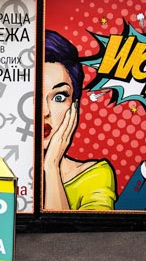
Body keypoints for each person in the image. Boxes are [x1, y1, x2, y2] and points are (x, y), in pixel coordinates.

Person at [42, 30, 117, 210]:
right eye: (32, 96)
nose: (45, 112)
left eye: (59, 97)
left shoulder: (94, 175)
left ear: (74, 106)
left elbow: (58, 230)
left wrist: (51, 167)